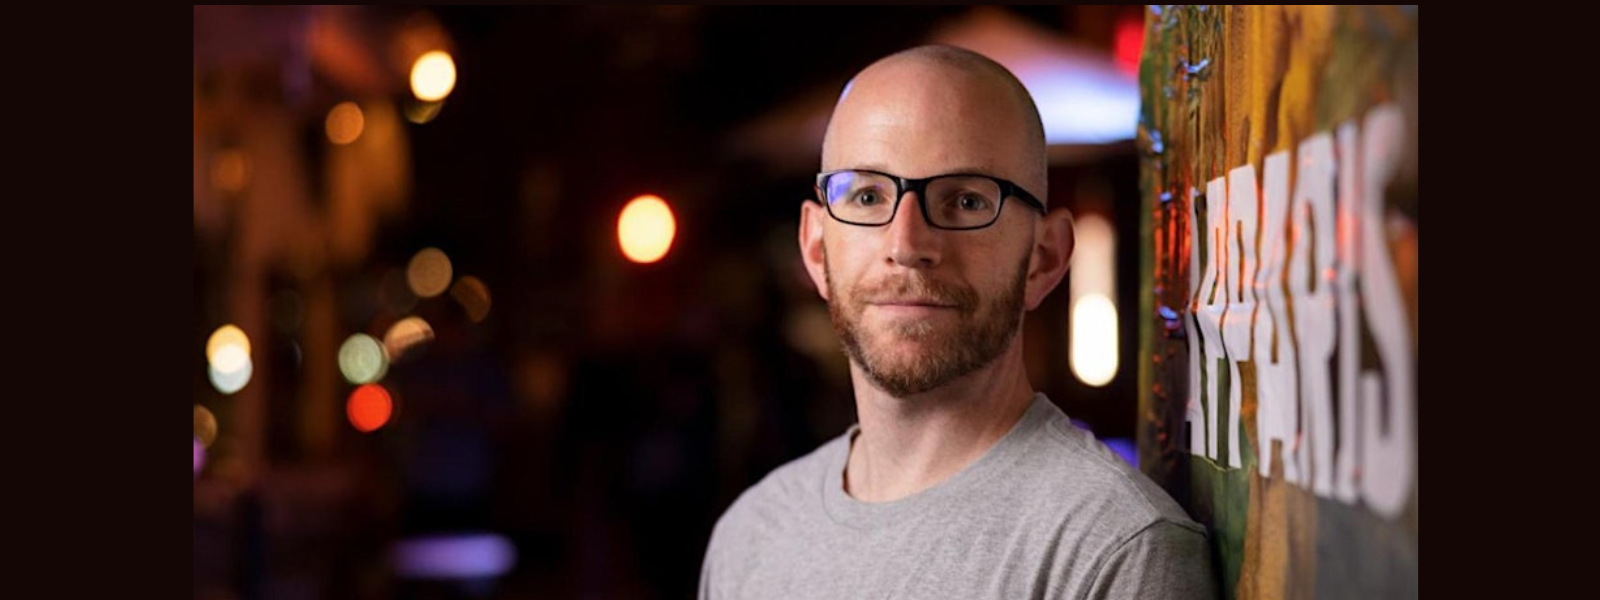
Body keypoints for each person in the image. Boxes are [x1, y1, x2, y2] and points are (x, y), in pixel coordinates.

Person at [698, 45, 1217, 600]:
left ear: (1045, 258)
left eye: (966, 201)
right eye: (869, 195)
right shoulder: (750, 535)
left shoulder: (1114, 550)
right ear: (817, 249)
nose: (907, 244)